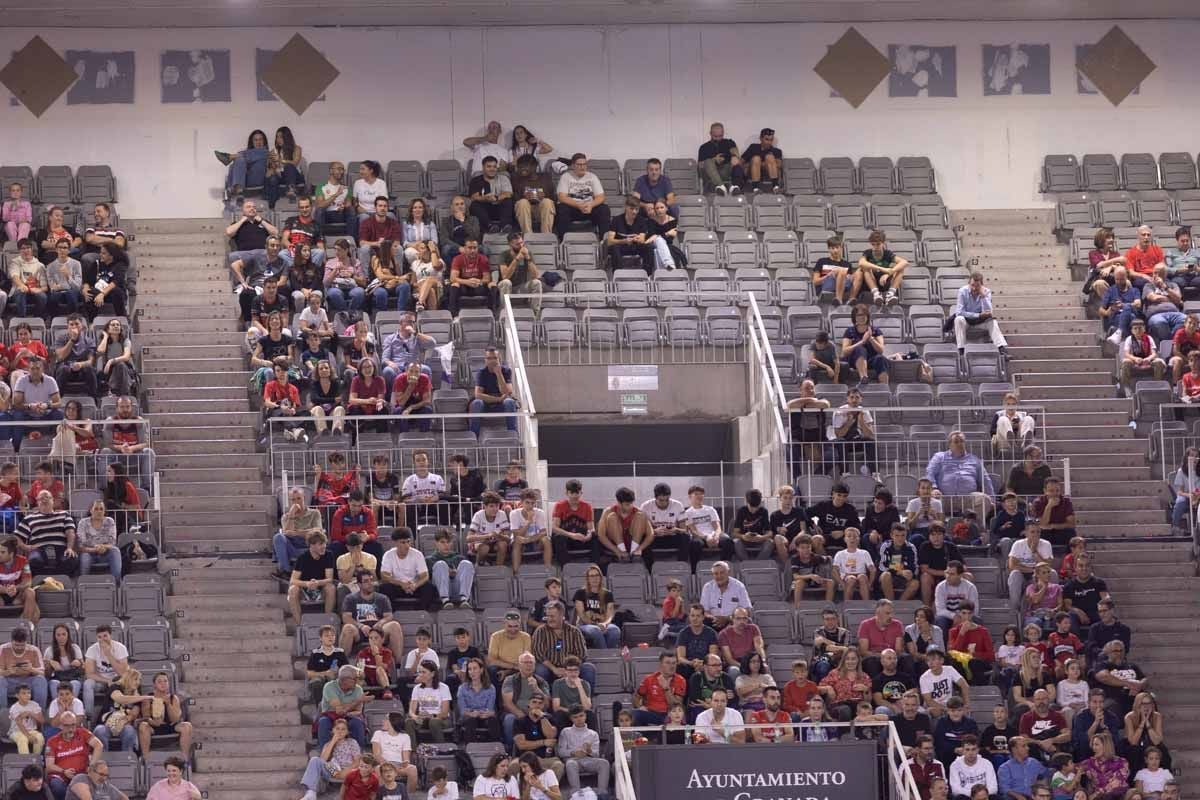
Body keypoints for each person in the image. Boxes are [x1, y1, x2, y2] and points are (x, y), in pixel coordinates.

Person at [925, 432, 995, 525]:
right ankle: (940, 530)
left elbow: (985, 480)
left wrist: (992, 499)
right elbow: (930, 473)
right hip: (944, 497)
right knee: (932, 501)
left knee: (984, 499)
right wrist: (933, 489)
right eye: (956, 441)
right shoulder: (939, 457)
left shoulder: (974, 460)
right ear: (950, 444)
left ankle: (972, 527)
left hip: (967, 497)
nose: (959, 444)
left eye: (962, 441)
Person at [298, 718, 367, 800]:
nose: (340, 731)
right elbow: (322, 760)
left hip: (348, 770)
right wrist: (333, 741)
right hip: (333, 769)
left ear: (347, 732)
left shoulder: (352, 742)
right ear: (332, 730)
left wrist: (344, 772)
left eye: (343, 729)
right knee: (315, 760)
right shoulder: (328, 744)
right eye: (337, 728)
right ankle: (311, 792)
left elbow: (357, 762)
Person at [44, 712, 102, 800]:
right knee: (57, 786)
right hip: (61, 776)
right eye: (67, 726)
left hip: (82, 774)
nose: (71, 729)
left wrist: (91, 766)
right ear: (61, 726)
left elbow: (99, 745)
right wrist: (64, 771)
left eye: (73, 725)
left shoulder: (82, 733)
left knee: (89, 785)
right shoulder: (52, 742)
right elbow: (49, 766)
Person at [951, 271, 1008, 355]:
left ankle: (1001, 349)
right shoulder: (962, 291)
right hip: (966, 321)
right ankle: (961, 350)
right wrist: (977, 315)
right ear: (969, 283)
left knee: (993, 322)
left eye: (977, 286)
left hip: (980, 322)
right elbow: (959, 312)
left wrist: (983, 296)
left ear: (981, 285)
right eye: (972, 285)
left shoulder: (986, 292)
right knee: (958, 319)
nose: (974, 288)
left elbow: (989, 312)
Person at [554, 154, 611, 237]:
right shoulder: (566, 177)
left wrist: (591, 205)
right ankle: (563, 239)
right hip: (572, 208)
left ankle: (604, 240)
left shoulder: (592, 177)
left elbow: (601, 197)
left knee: (604, 209)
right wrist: (578, 205)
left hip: (589, 208)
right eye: (579, 164)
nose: (582, 167)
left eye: (584, 164)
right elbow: (562, 197)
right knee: (562, 208)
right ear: (573, 165)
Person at [558, 704, 607, 793]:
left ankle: (602, 792)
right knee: (571, 764)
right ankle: (576, 793)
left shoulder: (593, 734)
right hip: (573, 760)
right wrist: (573, 753)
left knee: (604, 763)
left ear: (585, 716)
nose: (579, 719)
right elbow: (561, 752)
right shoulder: (565, 732)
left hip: (588, 760)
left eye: (581, 716)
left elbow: (596, 754)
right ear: (571, 719)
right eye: (575, 717)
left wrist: (589, 751)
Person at [469, 347, 517, 437]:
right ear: (485, 360)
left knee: (509, 402)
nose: (492, 361)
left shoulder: (506, 371)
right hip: (486, 404)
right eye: (489, 358)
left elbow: (507, 392)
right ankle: (474, 436)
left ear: (499, 359)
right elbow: (478, 395)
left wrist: (499, 374)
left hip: (501, 405)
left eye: (495, 358)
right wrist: (498, 399)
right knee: (476, 403)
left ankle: (512, 435)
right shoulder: (481, 373)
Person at [841, 303, 890, 385]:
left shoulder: (876, 331)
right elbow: (845, 351)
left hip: (871, 360)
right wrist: (861, 342)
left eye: (864, 314)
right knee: (860, 349)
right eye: (859, 315)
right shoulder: (849, 331)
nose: (862, 317)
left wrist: (871, 338)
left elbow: (881, 350)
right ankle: (864, 378)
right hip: (854, 360)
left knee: (881, 358)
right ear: (854, 317)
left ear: (867, 316)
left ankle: (884, 387)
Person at [1123, 692, 1168, 777]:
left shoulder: (1157, 716)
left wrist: (1147, 723)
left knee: (1163, 752)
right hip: (1133, 745)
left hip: (1151, 743)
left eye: (1149, 703)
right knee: (1135, 752)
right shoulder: (1129, 717)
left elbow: (1157, 741)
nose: (1146, 706)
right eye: (1143, 704)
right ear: (1137, 705)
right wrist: (1142, 722)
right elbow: (1133, 741)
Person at [497, 231, 543, 314]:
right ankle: (505, 313)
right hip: (505, 287)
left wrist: (528, 258)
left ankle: (535, 314)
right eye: (517, 244)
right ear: (510, 244)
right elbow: (505, 277)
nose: (521, 246)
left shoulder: (528, 253)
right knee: (506, 282)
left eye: (522, 243)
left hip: (521, 286)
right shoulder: (504, 255)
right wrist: (516, 260)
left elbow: (536, 275)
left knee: (537, 282)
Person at [1119, 317, 1166, 396]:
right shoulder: (1129, 339)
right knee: (1126, 362)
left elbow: (1154, 353)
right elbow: (1127, 354)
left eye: (1140, 328)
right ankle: (1127, 388)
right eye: (1135, 328)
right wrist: (1135, 359)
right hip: (1134, 361)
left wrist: (1148, 359)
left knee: (1158, 362)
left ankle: (1157, 385)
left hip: (1148, 360)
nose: (1138, 330)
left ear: (1144, 329)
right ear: (1132, 330)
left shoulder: (1149, 338)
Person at [511, 154, 557, 235]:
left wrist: (544, 195)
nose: (522, 169)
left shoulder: (545, 177)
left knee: (547, 201)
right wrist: (524, 197)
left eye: (525, 166)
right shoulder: (516, 179)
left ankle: (546, 235)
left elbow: (554, 198)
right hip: (525, 211)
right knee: (522, 202)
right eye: (520, 167)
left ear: (534, 166)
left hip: (542, 210)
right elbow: (513, 200)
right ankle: (528, 235)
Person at [217, 129, 269, 199]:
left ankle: (230, 157)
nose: (258, 142)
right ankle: (239, 190)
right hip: (245, 181)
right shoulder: (248, 153)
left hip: (257, 179)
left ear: (264, 141)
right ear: (252, 142)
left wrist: (237, 156)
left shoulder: (266, 152)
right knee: (237, 161)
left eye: (260, 139)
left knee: (239, 158)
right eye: (255, 140)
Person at [468, 156, 515, 233]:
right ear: (483, 167)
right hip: (485, 209)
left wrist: (496, 198)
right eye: (489, 166)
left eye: (494, 167)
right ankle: (490, 226)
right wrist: (485, 199)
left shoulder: (503, 178)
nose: (492, 169)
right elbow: (474, 197)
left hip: (500, 208)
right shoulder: (476, 180)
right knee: (474, 205)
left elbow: (508, 193)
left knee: (508, 201)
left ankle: (505, 226)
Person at [1142, 264, 1187, 343]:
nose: (1156, 276)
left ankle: (1170, 343)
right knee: (1160, 322)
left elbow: (1178, 298)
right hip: (1156, 315)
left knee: (1185, 320)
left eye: (1160, 273)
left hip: (1174, 313)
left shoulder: (1173, 285)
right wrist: (1172, 299)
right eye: (1155, 273)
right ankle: (1171, 344)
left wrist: (1164, 286)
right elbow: (1153, 298)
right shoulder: (1148, 285)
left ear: (1165, 275)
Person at [606, 197, 653, 272]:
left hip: (635, 246)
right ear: (625, 207)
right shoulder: (616, 220)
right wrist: (623, 241)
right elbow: (609, 241)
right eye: (631, 209)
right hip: (621, 246)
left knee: (648, 247)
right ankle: (618, 274)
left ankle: (647, 275)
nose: (634, 212)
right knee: (614, 248)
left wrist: (637, 239)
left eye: (636, 209)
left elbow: (642, 239)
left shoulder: (641, 220)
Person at [1079, 732, 1130, 800]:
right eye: (1093, 745)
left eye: (1096, 745)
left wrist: (1096, 794)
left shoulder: (1121, 762)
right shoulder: (1088, 763)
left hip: (1119, 796)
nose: (1094, 748)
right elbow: (1069, 767)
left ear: (1106, 746)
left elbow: (1116, 783)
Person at [698, 122, 745, 195]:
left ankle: (734, 187)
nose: (718, 139)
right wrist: (714, 160)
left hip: (725, 171)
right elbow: (700, 165)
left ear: (723, 133)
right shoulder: (704, 147)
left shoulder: (729, 143)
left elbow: (735, 154)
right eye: (715, 136)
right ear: (710, 133)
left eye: (720, 136)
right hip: (710, 174)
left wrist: (734, 156)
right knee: (708, 161)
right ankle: (721, 186)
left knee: (736, 161)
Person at [1100, 267, 1143, 344]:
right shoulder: (1110, 290)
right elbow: (1101, 310)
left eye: (1121, 279)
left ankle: (1119, 332)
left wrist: (1124, 305)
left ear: (1126, 277)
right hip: (1117, 317)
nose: (1119, 282)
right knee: (1131, 318)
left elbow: (1138, 303)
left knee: (1128, 310)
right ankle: (1131, 340)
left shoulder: (1134, 290)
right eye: (1117, 279)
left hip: (1131, 317)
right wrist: (1107, 312)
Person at [741, 128, 783, 194]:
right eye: (766, 139)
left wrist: (764, 163)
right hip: (752, 171)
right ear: (761, 138)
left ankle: (775, 187)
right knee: (756, 158)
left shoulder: (776, 151)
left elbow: (779, 165)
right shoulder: (753, 147)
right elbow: (742, 161)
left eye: (771, 140)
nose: (769, 142)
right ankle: (755, 188)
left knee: (770, 157)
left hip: (769, 171)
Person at [3, 182, 33, 246]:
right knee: (10, 224)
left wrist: (22, 221)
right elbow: (5, 219)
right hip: (11, 225)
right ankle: (14, 245)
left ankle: (21, 244)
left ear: (21, 192)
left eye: (18, 190)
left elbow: (29, 218)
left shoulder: (26, 204)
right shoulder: (6, 204)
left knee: (25, 225)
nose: (15, 192)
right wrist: (11, 208)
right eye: (13, 190)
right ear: (10, 192)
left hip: (23, 224)